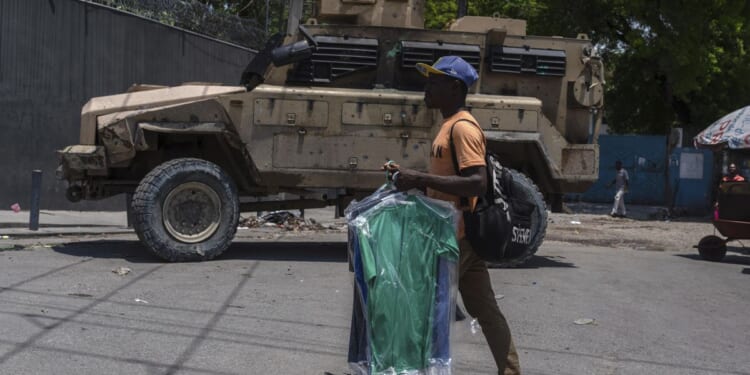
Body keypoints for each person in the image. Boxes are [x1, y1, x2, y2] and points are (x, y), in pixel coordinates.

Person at [383, 56, 521, 375]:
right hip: (457, 236)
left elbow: (477, 181)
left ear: (455, 87)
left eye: (435, 81)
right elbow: (446, 183)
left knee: (423, 309)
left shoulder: (462, 128)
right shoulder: (448, 125)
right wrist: (407, 178)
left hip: (455, 239)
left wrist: (419, 179)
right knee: (485, 310)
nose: (427, 87)